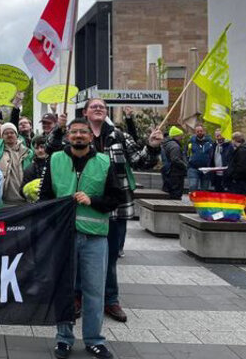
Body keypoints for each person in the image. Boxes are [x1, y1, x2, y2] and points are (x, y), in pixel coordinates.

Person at [50, 99, 163, 324]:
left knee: (109, 257)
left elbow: (140, 161)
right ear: (85, 112)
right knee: (77, 254)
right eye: (94, 106)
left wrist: (151, 146)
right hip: (78, 210)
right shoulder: (74, 133)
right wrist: (59, 128)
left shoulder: (119, 136)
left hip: (113, 209)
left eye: (102, 106)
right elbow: (51, 151)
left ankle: (110, 299)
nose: (99, 108)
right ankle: (77, 296)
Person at [39, 118, 123, 359]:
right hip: (63, 237)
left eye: (83, 132)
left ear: (90, 136)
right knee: (64, 291)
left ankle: (94, 340)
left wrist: (92, 201)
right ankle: (63, 338)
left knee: (94, 292)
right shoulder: (55, 159)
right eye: (74, 132)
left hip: (95, 238)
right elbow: (44, 197)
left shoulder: (104, 162)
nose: (78, 136)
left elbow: (115, 198)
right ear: (67, 135)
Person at [0, 112, 31, 203]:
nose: (9, 135)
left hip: (24, 200)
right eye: (6, 133)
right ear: (2, 136)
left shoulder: (28, 152)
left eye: (12, 132)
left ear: (16, 134)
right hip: (3, 200)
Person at [225, 132, 246, 196]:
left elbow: (241, 167)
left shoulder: (243, 151)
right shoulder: (243, 149)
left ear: (234, 140)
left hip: (241, 180)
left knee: (240, 197)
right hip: (243, 179)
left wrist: (233, 177)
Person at [161, 126, 188, 199]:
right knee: (176, 194)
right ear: (176, 136)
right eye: (180, 136)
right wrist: (185, 165)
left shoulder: (167, 144)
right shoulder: (175, 146)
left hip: (168, 171)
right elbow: (175, 159)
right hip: (175, 174)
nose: (182, 137)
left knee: (168, 192)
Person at [186, 124, 214, 192]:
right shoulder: (190, 142)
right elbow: (185, 153)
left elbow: (213, 154)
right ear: (195, 132)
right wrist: (187, 163)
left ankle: (202, 201)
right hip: (193, 168)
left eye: (201, 131)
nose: (199, 132)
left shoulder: (210, 142)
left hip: (206, 169)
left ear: (204, 131)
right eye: (197, 131)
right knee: (193, 186)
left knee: (205, 188)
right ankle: (193, 201)